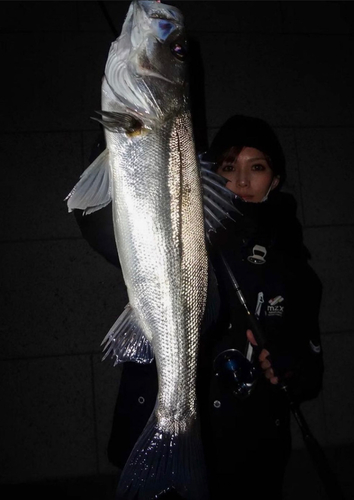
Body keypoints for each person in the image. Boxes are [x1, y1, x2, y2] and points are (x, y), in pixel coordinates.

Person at [74, 115, 323, 500]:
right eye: (228, 167)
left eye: (256, 167)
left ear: (275, 179)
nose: (241, 181)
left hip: (250, 454)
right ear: (203, 173)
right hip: (161, 436)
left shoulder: (296, 270)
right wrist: (123, 141)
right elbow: (95, 217)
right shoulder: (174, 227)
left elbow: (311, 364)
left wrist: (294, 369)